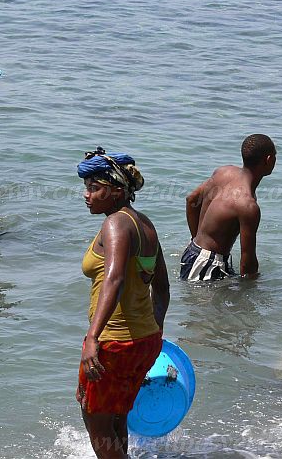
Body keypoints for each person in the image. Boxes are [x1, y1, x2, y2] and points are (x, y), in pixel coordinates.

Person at [76, 147, 170, 459]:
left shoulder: (115, 224)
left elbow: (113, 280)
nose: (87, 195)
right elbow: (162, 288)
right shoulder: (144, 224)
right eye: (87, 187)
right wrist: (154, 330)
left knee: (96, 417)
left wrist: (93, 338)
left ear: (117, 191)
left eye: (94, 188)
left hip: (114, 342)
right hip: (143, 341)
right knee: (115, 415)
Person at [180, 134, 276, 281]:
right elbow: (247, 263)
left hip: (193, 252)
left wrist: (197, 240)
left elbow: (191, 200)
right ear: (268, 160)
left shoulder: (224, 172)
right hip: (207, 265)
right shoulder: (248, 206)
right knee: (204, 304)